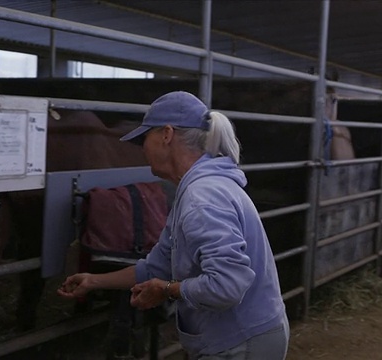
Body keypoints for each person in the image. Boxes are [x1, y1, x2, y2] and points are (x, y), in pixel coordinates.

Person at [57, 91, 289, 360]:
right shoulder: (194, 191)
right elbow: (157, 266)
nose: (143, 148)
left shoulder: (203, 197)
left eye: (145, 137)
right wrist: (95, 281)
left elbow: (227, 285)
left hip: (239, 343)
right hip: (237, 337)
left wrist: (166, 290)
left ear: (166, 134)